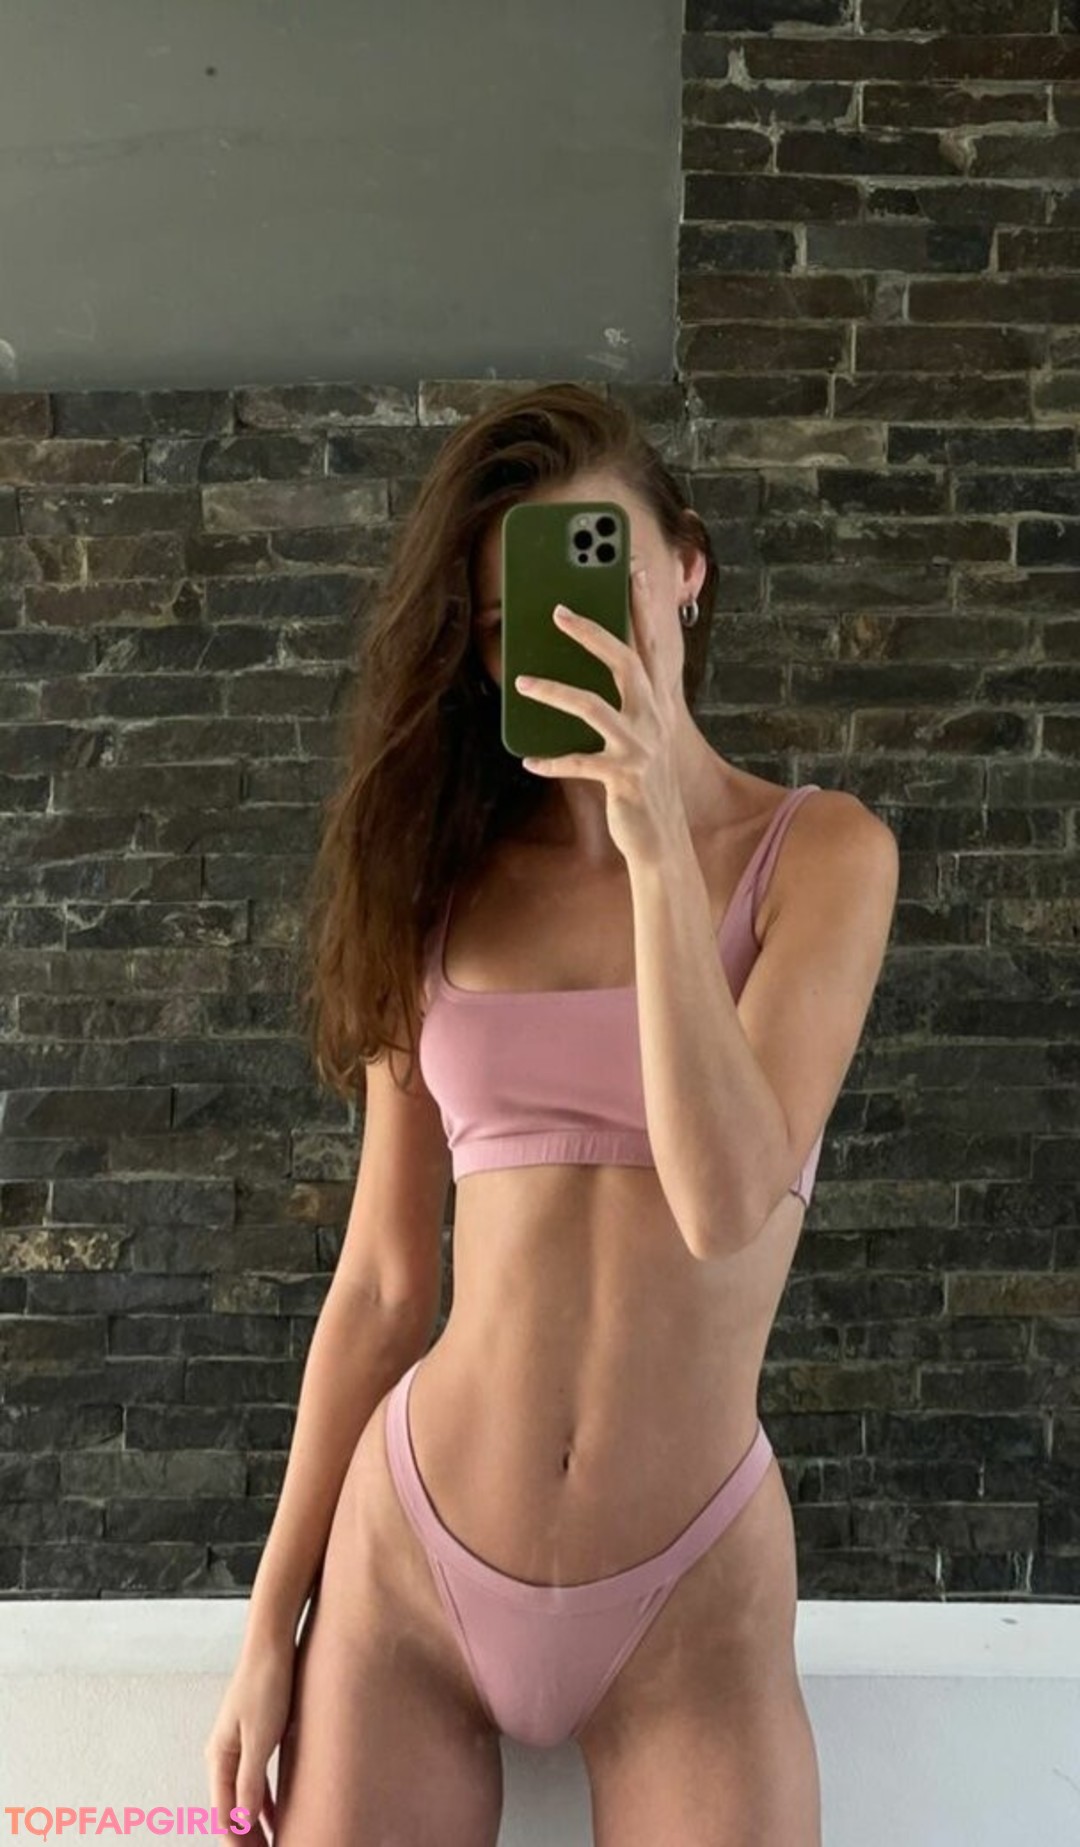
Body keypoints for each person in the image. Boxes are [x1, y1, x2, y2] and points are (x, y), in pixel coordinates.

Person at [204, 382, 899, 1845]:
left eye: (599, 585)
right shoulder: (438, 882)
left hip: (691, 1593)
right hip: (414, 1566)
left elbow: (726, 1198)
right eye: (509, 622)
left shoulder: (821, 855)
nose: (561, 643)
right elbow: (384, 1285)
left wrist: (654, 843)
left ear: (687, 570)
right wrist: (269, 1625)